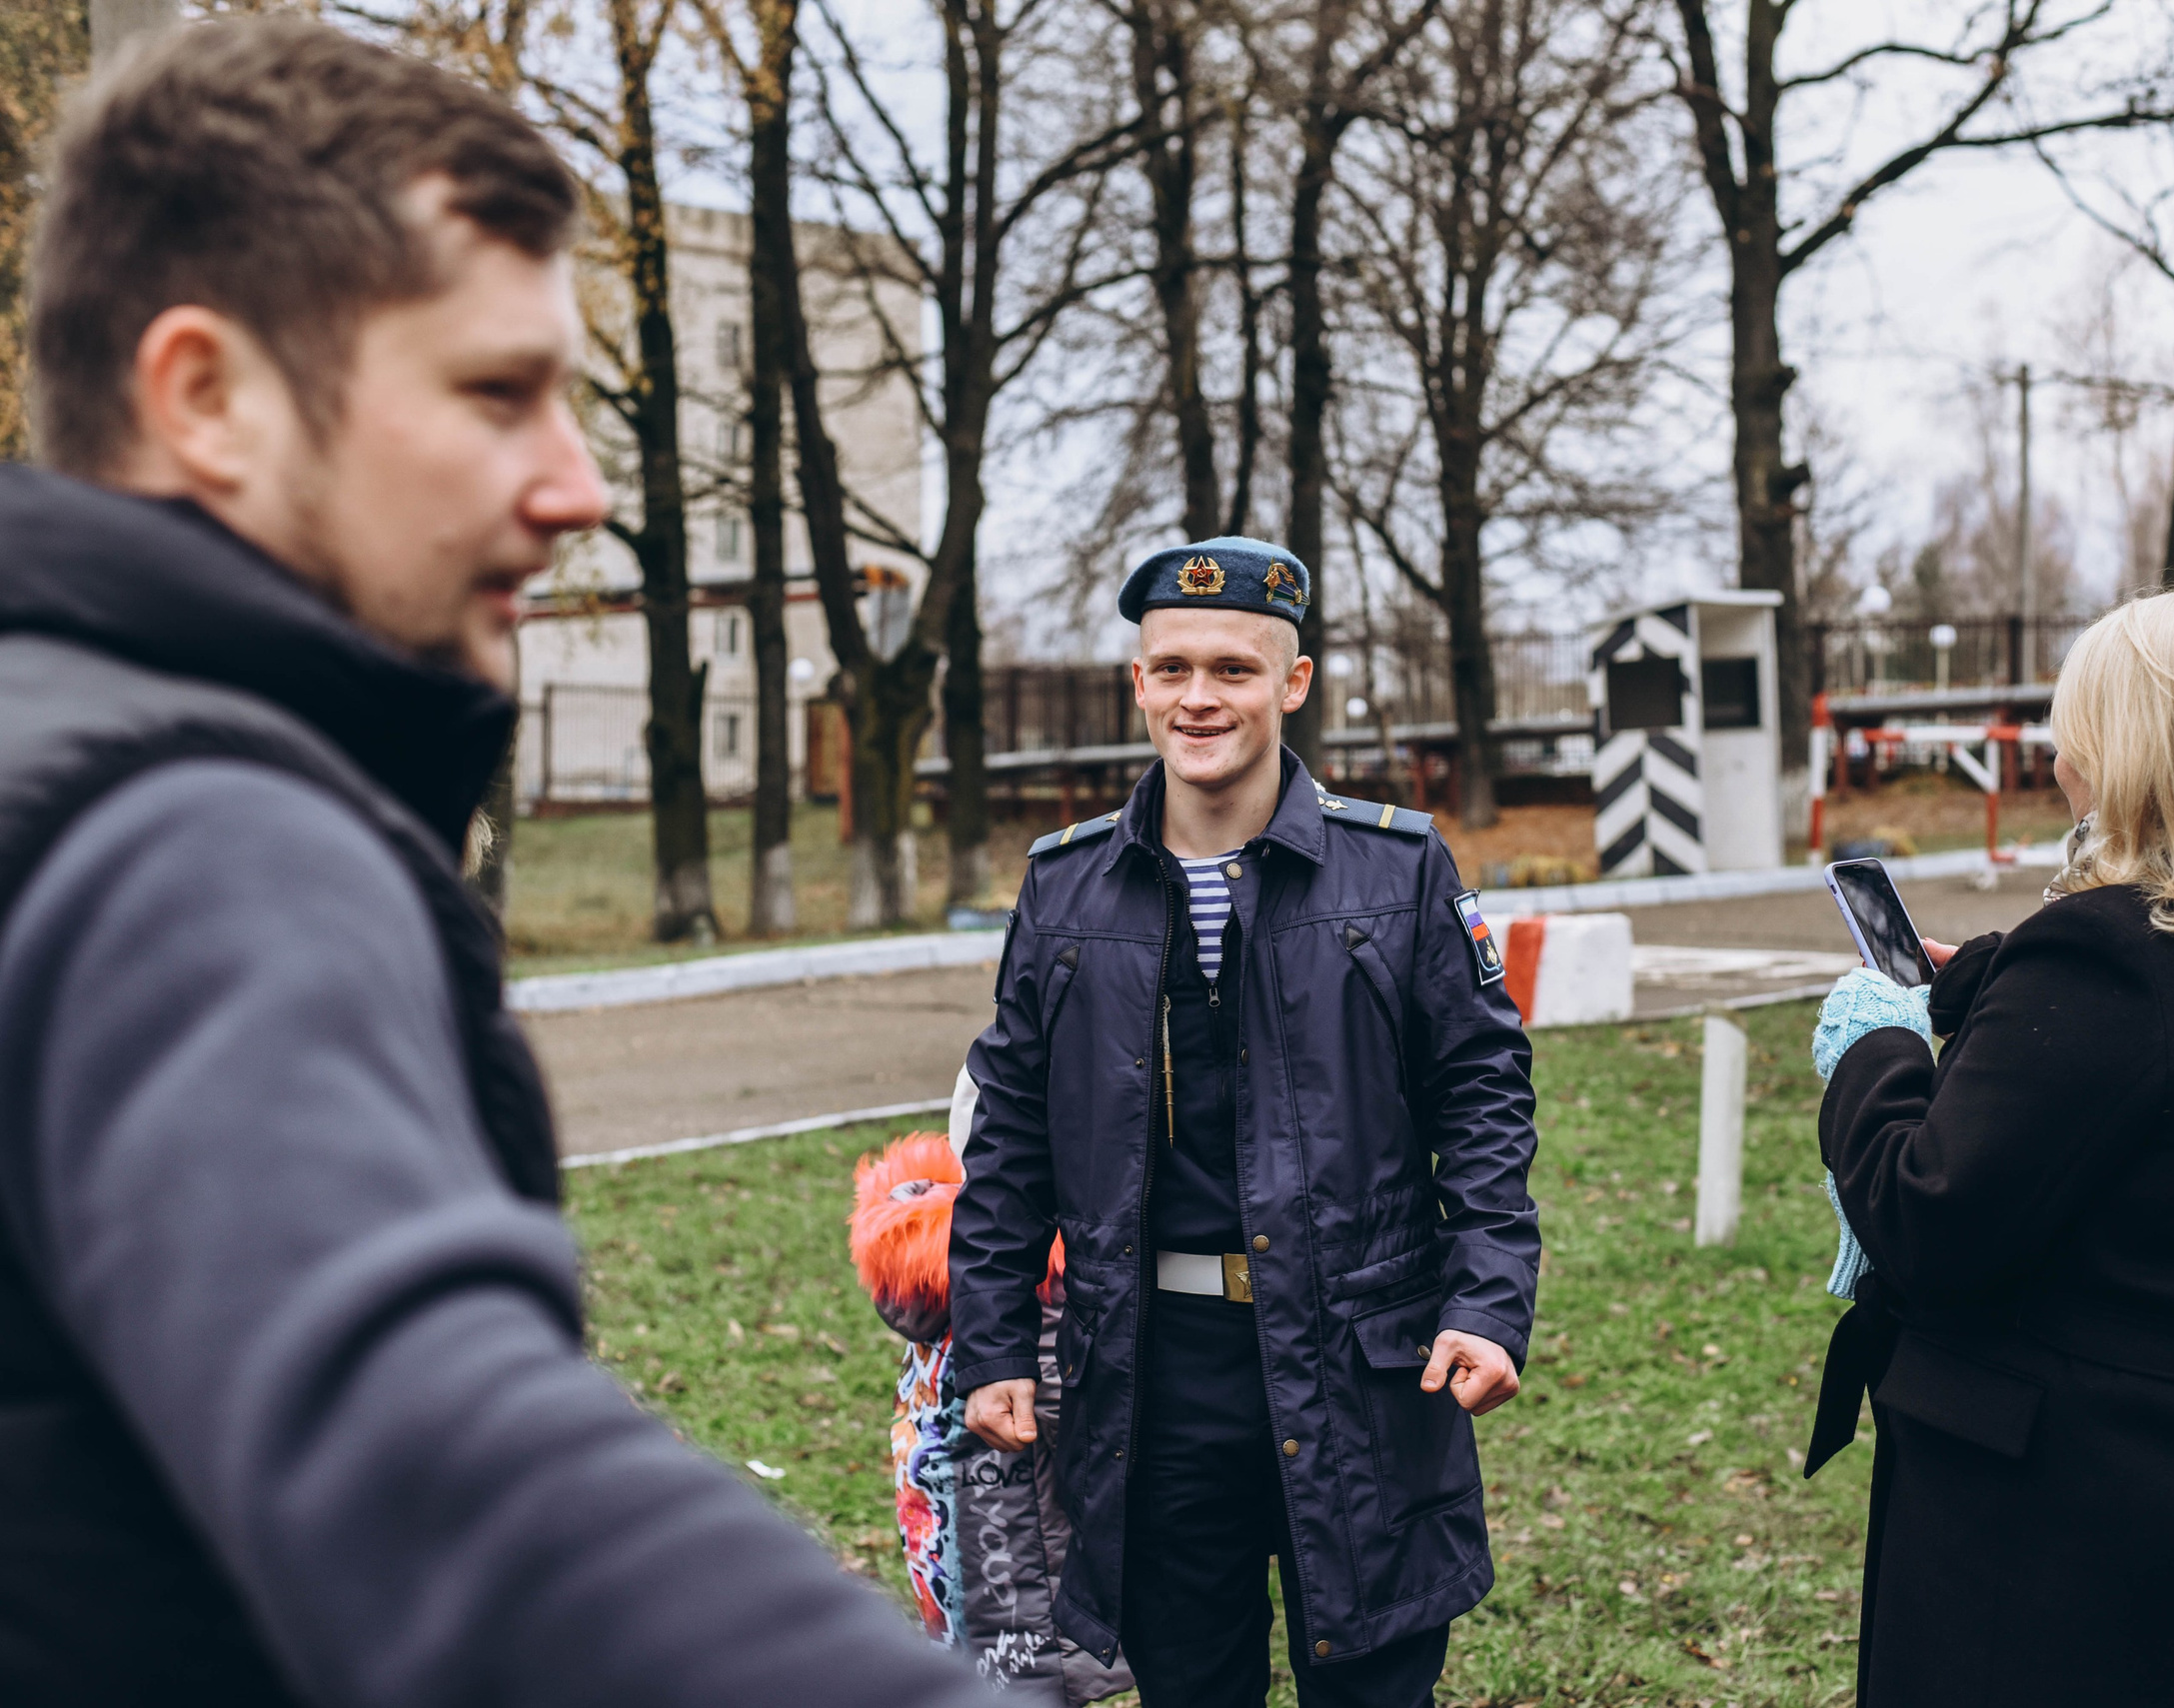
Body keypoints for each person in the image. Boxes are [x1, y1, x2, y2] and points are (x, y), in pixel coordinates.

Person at [0, 20, 987, 1706]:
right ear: (207, 395)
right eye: (494, 394)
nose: (578, 488)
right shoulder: (194, 836)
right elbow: (441, 1463)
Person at [947, 536, 1540, 1707]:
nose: (1198, 697)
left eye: (1232, 667)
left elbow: (1481, 1092)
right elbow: (1011, 1126)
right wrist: (995, 1338)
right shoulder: (1065, 887)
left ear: (1293, 682)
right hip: (1154, 1373)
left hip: (1363, 1362)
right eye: (1171, 669)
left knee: (1372, 1683)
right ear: (1138, 686)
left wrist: (1486, 1299)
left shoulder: (1396, 869)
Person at [1801, 583, 2174, 1707]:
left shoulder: (2103, 963)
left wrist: (1872, 1050)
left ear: (2136, 744)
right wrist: (1994, 977)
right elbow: (2163, 1071)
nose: (2057, 750)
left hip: (2051, 1548)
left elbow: (1922, 1214)